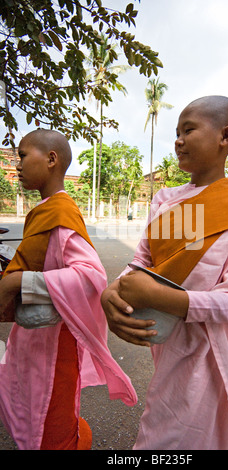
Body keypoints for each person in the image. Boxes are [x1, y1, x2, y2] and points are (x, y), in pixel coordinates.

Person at [101, 96, 228, 450]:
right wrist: (110, 292)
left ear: (225, 136)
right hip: (169, 352)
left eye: (188, 130)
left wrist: (164, 298)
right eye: (176, 132)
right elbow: (144, 261)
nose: (178, 140)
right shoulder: (168, 202)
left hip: (215, 360)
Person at [0, 129, 137, 450]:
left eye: (22, 155)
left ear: (51, 159)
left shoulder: (61, 212)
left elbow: (91, 276)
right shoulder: (46, 209)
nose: (17, 165)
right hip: (33, 333)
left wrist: (17, 282)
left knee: (51, 420)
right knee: (31, 409)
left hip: (54, 344)